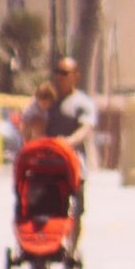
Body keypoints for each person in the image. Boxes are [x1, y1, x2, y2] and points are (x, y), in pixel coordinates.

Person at [46, 58, 95, 251]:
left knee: (76, 210)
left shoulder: (82, 102)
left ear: (76, 76)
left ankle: (73, 249)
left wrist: (68, 142)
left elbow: (86, 128)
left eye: (64, 73)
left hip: (74, 164)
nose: (59, 77)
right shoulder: (49, 99)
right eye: (57, 72)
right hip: (50, 164)